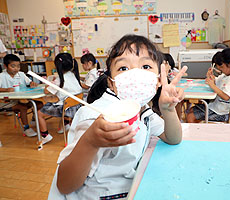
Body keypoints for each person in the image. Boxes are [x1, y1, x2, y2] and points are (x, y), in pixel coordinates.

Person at [48, 34, 187, 199]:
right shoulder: (95, 116)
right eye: (123, 68)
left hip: (133, 188)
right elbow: (65, 185)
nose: (135, 74)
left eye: (145, 66)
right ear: (112, 82)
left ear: (158, 80)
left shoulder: (142, 109)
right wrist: (90, 141)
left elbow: (173, 138)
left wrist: (168, 110)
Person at [187, 48, 230, 123]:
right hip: (217, 107)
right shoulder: (227, 75)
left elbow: (226, 96)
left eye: (221, 67)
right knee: (192, 110)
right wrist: (211, 77)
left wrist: (212, 85)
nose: (220, 70)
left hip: (223, 113)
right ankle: (199, 129)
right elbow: (217, 81)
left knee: (190, 116)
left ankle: (197, 133)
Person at [38, 53, 82, 144]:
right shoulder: (73, 75)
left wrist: (49, 83)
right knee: (58, 101)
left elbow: (46, 91)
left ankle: (45, 136)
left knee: (39, 114)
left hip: (65, 109)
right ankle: (66, 124)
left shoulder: (59, 80)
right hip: (76, 106)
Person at [0, 54, 43, 137]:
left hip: (22, 99)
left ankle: (34, 119)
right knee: (22, 107)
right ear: (5, 66)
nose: (16, 68)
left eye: (18, 66)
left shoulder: (21, 74)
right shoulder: (1, 76)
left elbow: (29, 82)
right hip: (6, 102)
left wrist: (32, 83)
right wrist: (6, 89)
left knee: (39, 104)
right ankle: (26, 128)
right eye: (13, 66)